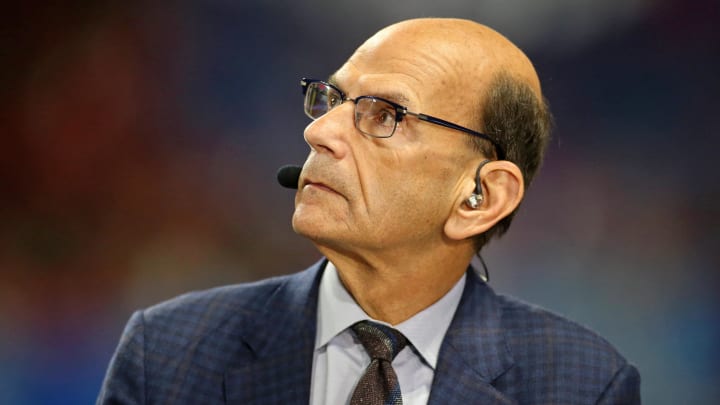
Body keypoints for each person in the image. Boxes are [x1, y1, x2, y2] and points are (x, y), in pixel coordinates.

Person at [97, 18, 640, 404]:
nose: (317, 132)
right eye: (331, 100)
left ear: (482, 196)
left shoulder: (583, 384)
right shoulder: (166, 353)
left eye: (386, 115)